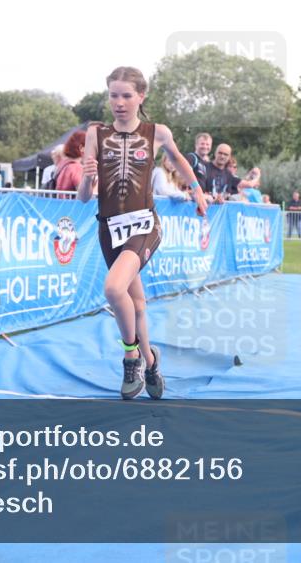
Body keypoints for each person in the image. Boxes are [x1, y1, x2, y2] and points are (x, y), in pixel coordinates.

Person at [77, 66, 208, 400]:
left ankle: (131, 356)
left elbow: (179, 160)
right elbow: (84, 197)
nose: (119, 103)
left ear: (141, 96)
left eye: (126, 95)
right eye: (113, 96)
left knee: (113, 288)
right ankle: (151, 361)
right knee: (135, 304)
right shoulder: (95, 134)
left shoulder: (156, 132)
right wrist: (88, 177)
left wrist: (197, 190)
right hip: (109, 228)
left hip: (144, 225)